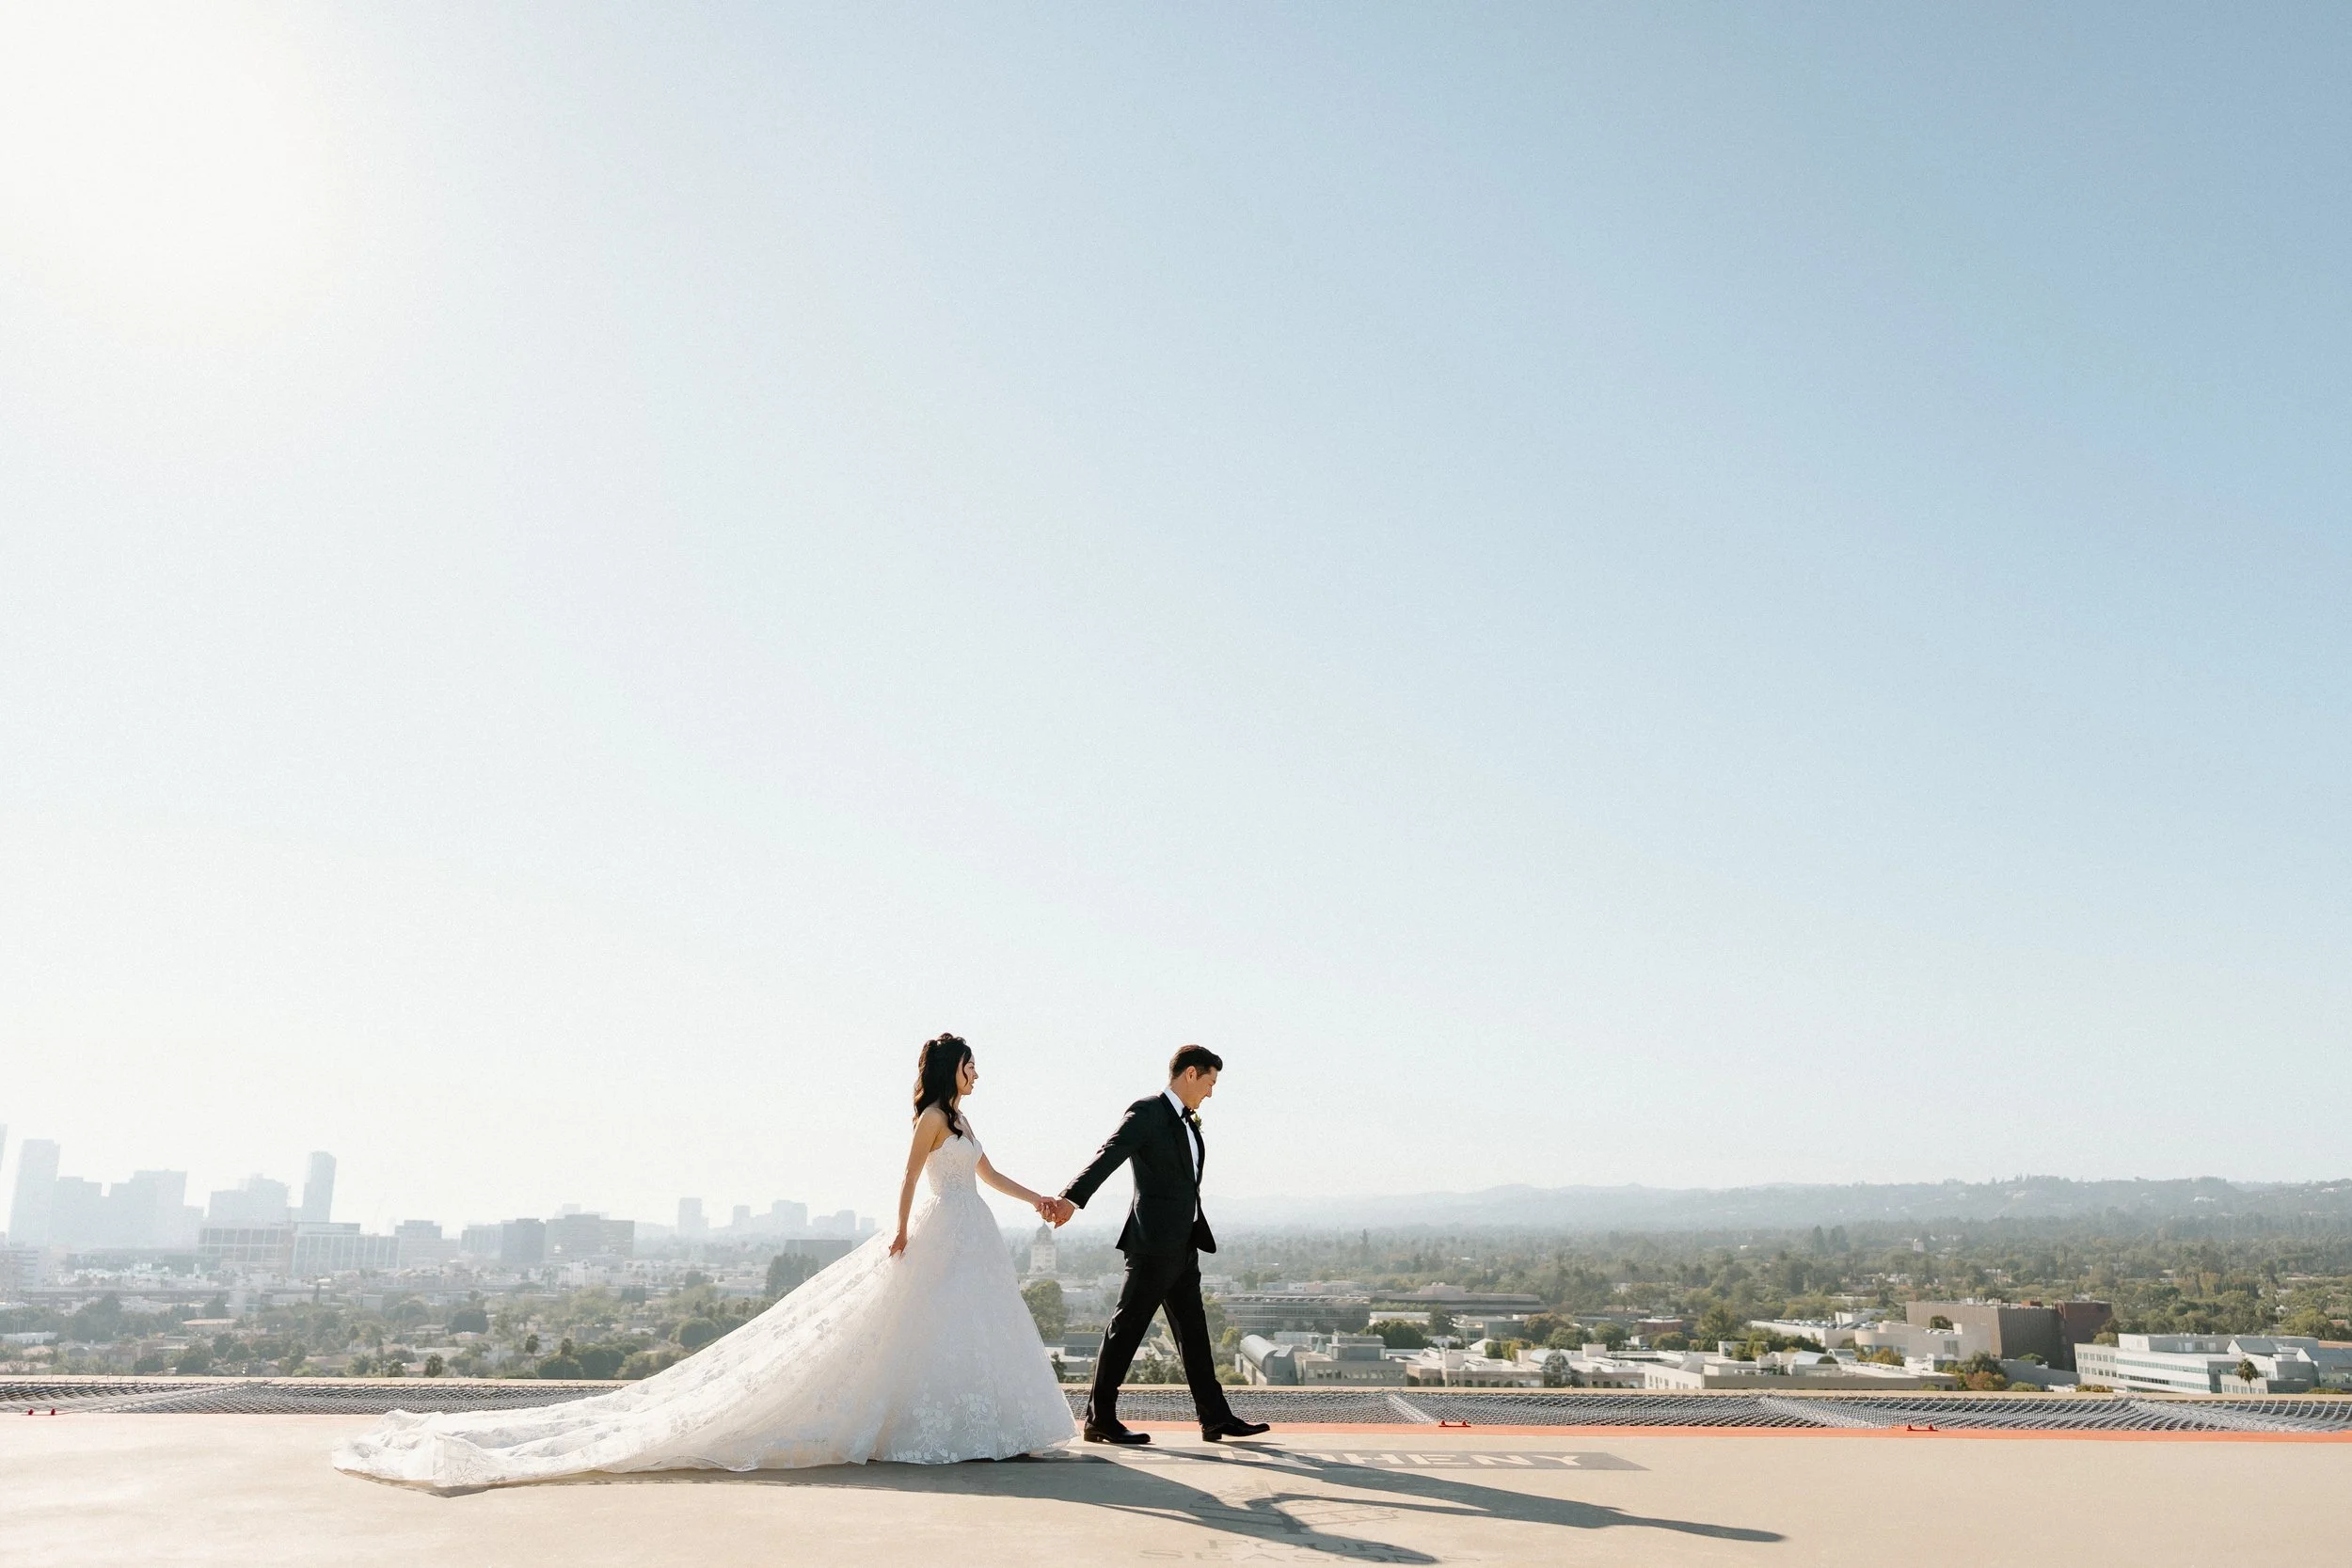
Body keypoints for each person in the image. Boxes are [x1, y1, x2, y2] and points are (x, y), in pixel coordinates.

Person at [331, 1034, 1075, 1487]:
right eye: (975, 1064)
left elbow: (987, 1175)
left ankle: (981, 1429)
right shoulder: (930, 1117)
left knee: (962, 1333)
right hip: (940, 1233)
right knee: (918, 1329)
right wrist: (902, 1228)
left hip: (972, 1235)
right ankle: (927, 1431)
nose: (980, 1073)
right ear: (954, 1067)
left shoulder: (967, 1120)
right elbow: (910, 1175)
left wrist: (1040, 1197)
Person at [1048, 1044, 1270, 1446]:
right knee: (1127, 1329)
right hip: (1152, 1244)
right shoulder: (1148, 1112)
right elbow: (1110, 1153)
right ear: (1189, 1074)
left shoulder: (1187, 1122)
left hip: (1184, 1243)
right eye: (1209, 1082)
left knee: (1195, 1333)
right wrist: (1071, 1199)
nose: (1211, 1093)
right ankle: (1100, 1419)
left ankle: (1215, 1418)